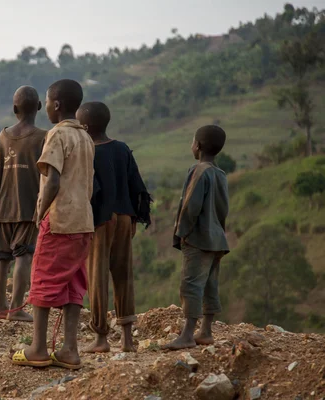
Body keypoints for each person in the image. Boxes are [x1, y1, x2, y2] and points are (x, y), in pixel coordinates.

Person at [12, 79, 94, 369]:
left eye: (47, 102)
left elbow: (53, 180)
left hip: (59, 220)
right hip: (83, 220)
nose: (45, 107)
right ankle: (69, 350)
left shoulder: (57, 135)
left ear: (56, 105)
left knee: (43, 280)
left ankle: (37, 348)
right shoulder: (85, 136)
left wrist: (39, 211)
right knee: (73, 282)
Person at [75, 102, 152, 354]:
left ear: (84, 126)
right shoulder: (122, 149)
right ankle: (127, 339)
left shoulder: (87, 152)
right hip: (124, 218)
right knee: (123, 274)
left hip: (100, 220)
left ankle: (100, 337)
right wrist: (134, 217)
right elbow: (136, 185)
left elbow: (88, 191)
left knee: (97, 277)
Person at [162, 125, 229, 350]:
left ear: (198, 146)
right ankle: (206, 331)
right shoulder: (220, 174)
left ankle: (188, 335)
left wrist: (182, 233)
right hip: (217, 238)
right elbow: (223, 210)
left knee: (190, 284)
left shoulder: (198, 170)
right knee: (210, 283)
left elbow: (191, 206)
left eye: (192, 141)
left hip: (198, 237)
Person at [0, 86, 47, 322]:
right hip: (29, 207)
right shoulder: (44, 136)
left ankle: (0, 306)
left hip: (3, 206)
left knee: (2, 255)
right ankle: (16, 309)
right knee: (24, 254)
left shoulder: (3, 136)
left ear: (14, 109)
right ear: (39, 107)